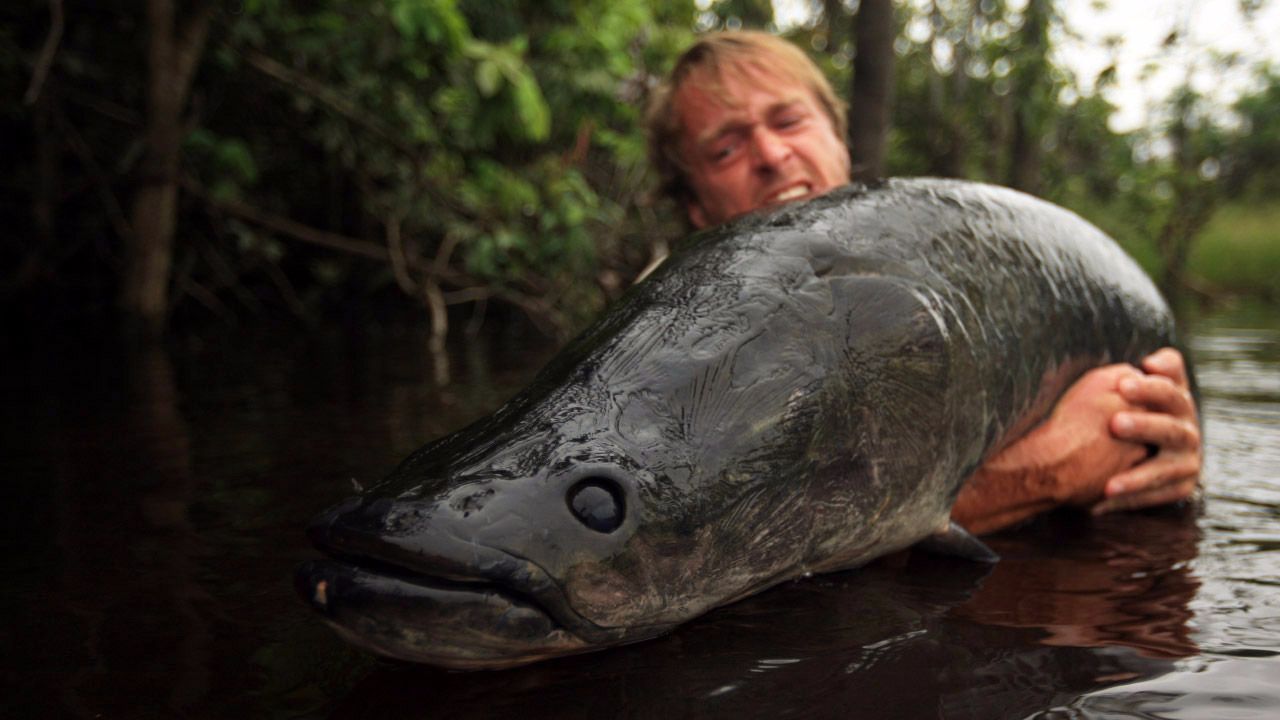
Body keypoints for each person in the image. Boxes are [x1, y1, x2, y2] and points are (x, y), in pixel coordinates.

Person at [644, 31, 1202, 535]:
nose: (771, 154)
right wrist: (1042, 474)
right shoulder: (666, 353)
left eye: (789, 121)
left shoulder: (960, 265)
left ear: (839, 140)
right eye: (726, 149)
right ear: (695, 205)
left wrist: (1163, 458)